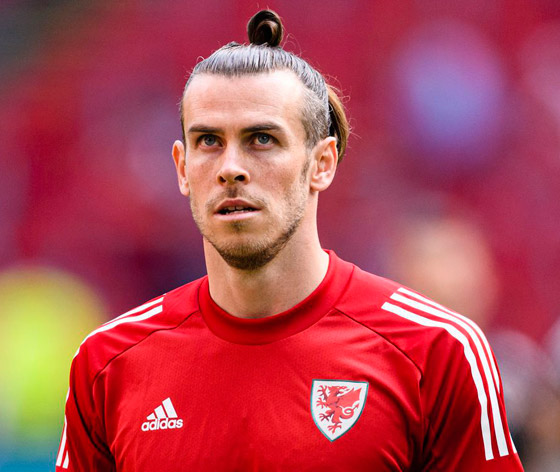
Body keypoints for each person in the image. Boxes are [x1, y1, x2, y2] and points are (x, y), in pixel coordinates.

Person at [55, 10, 523, 471]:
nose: (230, 168)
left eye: (261, 139)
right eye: (209, 142)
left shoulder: (436, 351)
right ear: (181, 168)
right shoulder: (108, 364)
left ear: (322, 163)